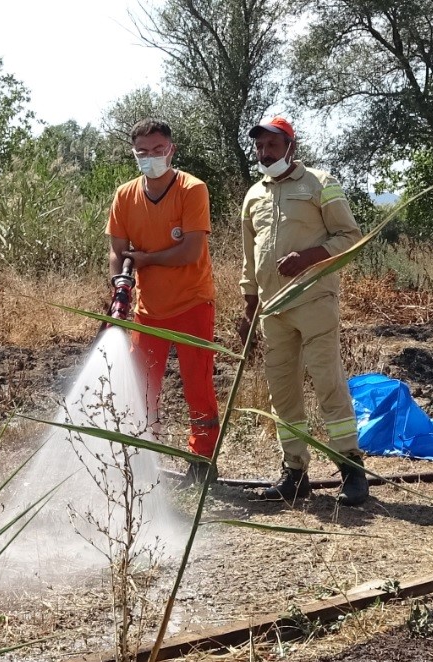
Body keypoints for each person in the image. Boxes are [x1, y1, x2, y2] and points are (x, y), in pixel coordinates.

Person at [237, 116, 369, 506]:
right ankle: (294, 473)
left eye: (272, 145)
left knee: (328, 383)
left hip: (313, 302)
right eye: (260, 146)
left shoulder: (320, 184)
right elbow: (249, 258)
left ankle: (352, 469)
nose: (265, 152)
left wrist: (309, 257)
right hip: (272, 310)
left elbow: (350, 237)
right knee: (283, 394)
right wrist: (249, 306)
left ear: (290, 146)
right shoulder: (253, 196)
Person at [106, 119, 219, 486]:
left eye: (157, 150)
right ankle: (142, 456)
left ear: (171, 150)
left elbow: (191, 250)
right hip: (148, 311)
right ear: (133, 153)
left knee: (197, 386)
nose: (150, 158)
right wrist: (119, 281)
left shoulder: (191, 189)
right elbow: (116, 250)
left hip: (192, 303)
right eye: (142, 152)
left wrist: (145, 259)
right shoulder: (125, 195)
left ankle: (202, 461)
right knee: (142, 387)